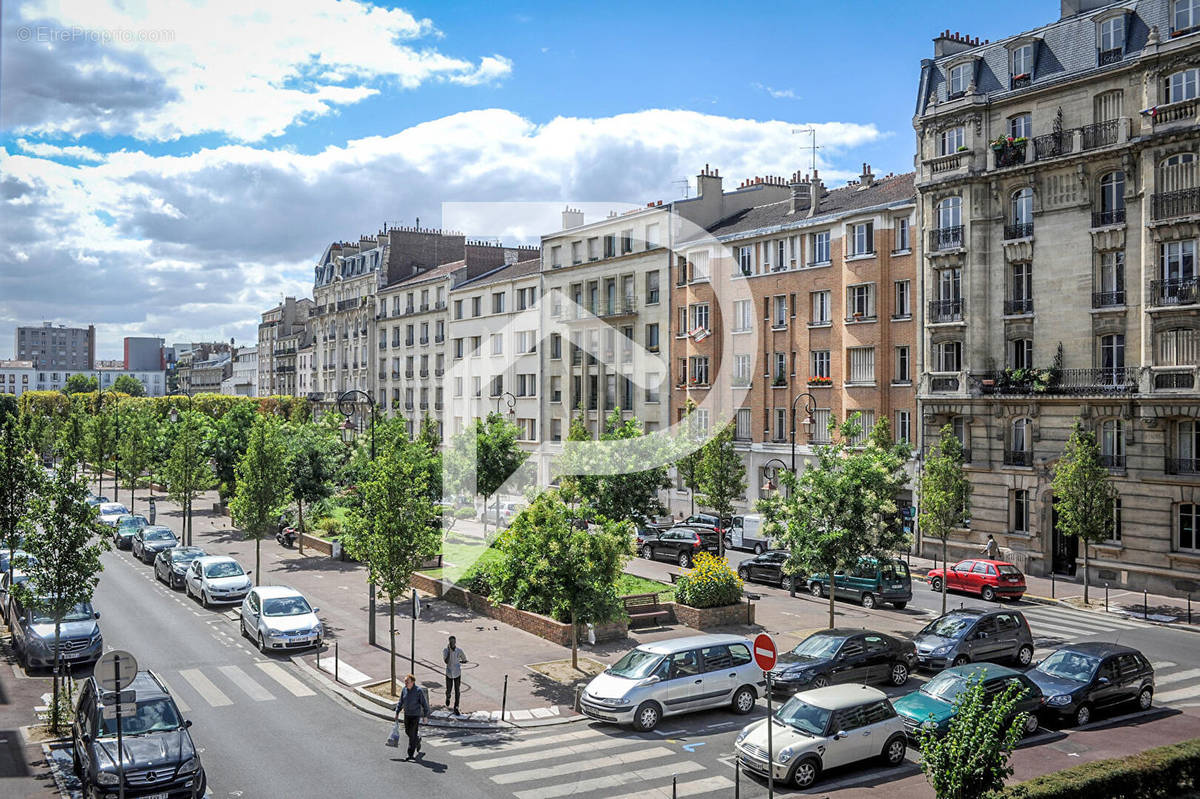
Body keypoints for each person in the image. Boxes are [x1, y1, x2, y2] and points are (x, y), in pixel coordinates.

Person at [394, 674, 429, 760]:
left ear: (412, 682)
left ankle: (410, 754)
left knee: (412, 733)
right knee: (407, 731)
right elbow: (401, 701)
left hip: (415, 715)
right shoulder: (404, 690)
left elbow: (424, 704)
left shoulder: (418, 691)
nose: (405, 683)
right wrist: (397, 712)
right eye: (405, 681)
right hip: (407, 714)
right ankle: (417, 740)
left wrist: (425, 715)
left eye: (407, 681)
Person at [443, 635, 467, 714]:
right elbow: (446, 661)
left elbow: (464, 658)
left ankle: (456, 706)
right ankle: (448, 697)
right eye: (451, 642)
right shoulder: (445, 650)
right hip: (449, 673)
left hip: (457, 673)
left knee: (457, 690)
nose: (452, 643)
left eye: (453, 642)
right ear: (449, 642)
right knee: (449, 689)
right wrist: (449, 652)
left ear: (455, 642)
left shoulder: (459, 650)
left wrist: (463, 661)